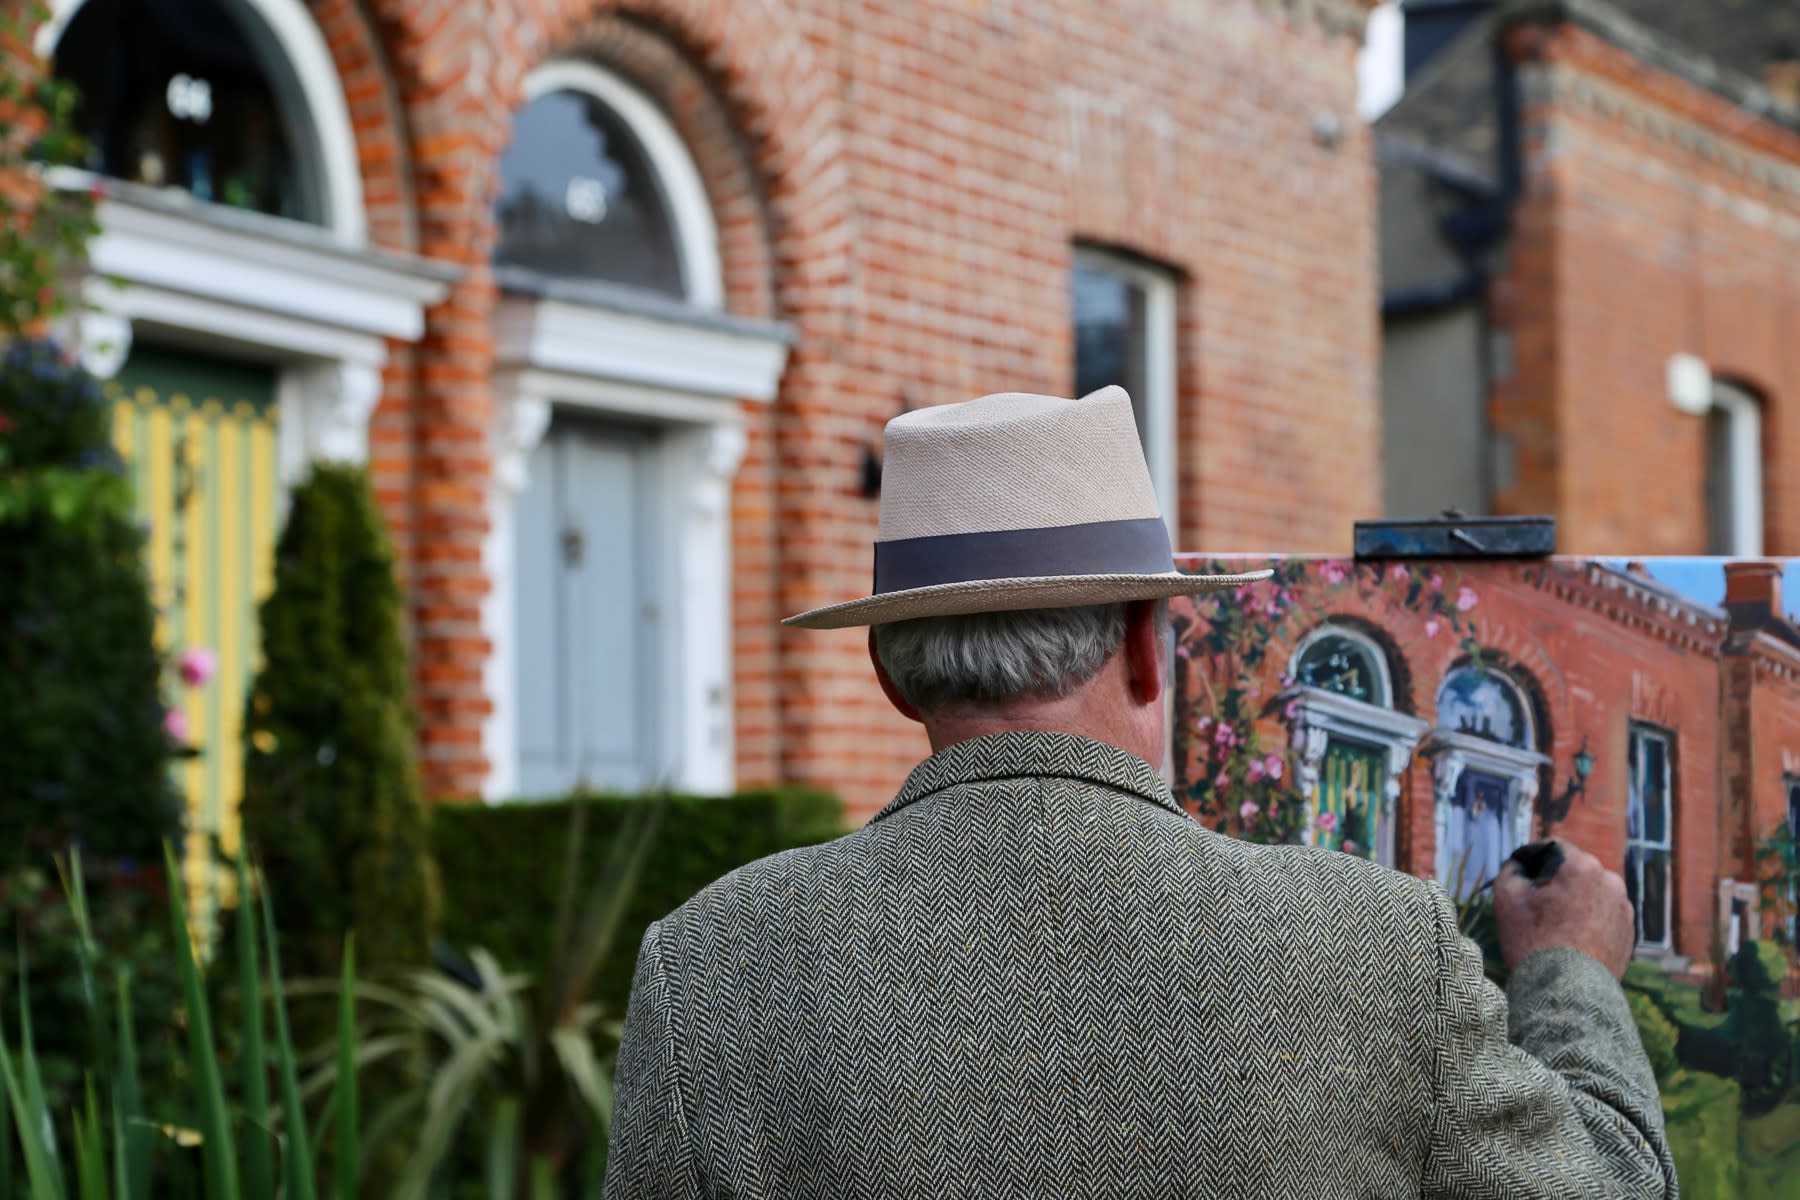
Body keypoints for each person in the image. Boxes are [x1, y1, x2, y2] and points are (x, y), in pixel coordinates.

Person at [602, 387, 1673, 1198]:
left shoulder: (712, 970)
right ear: (1149, 651)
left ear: (888, 673)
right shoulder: (1381, 945)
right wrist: (1573, 975)